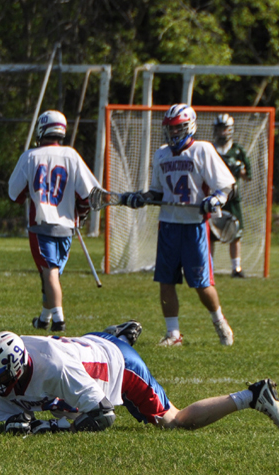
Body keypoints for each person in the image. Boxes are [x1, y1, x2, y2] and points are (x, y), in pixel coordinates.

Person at [0, 324, 279, 435]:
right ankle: (119, 335)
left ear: (17, 367)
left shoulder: (55, 369)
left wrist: (50, 427)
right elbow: (12, 417)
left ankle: (252, 396)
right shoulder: (10, 372)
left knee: (173, 422)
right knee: (63, 406)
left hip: (118, 366)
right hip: (87, 344)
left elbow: (103, 416)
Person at [120, 104, 236, 346]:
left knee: (202, 284)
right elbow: (157, 192)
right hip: (169, 225)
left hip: (194, 225)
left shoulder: (202, 150)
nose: (173, 133)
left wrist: (216, 199)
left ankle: (220, 322)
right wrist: (141, 198)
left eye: (178, 128)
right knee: (166, 281)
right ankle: (173, 334)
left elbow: (226, 186)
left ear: (190, 126)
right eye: (170, 129)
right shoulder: (161, 154)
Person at [8, 110, 99, 332]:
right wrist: (81, 212)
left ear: (42, 129)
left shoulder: (30, 156)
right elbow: (90, 195)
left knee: (49, 272)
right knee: (52, 274)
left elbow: (14, 194)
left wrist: (32, 191)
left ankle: (59, 319)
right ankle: (43, 319)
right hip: (67, 225)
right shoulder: (72, 155)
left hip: (41, 222)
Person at [211, 114, 251, 278]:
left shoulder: (238, 150)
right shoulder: (210, 149)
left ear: (230, 130)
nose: (222, 132)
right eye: (219, 129)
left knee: (235, 233)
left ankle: (236, 268)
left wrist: (238, 168)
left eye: (224, 128)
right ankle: (209, 267)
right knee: (211, 234)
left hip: (232, 197)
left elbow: (248, 175)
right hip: (214, 196)